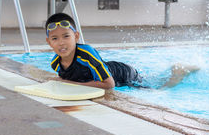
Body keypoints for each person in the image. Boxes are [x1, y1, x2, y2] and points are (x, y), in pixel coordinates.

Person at [45, 12, 199, 89]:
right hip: (109, 68)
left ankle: (178, 72)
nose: (61, 43)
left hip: (123, 74)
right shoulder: (55, 63)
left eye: (66, 36)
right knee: (151, 80)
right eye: (55, 39)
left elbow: (109, 84)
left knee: (158, 89)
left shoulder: (87, 54)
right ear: (49, 42)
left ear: (76, 36)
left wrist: (69, 83)